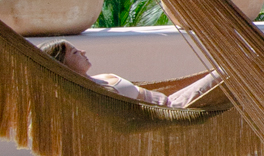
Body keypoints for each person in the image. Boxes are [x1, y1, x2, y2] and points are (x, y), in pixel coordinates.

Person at [45, 39, 222, 110]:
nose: (83, 51)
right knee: (229, 73)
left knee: (228, 71)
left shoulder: (97, 80)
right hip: (175, 109)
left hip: (170, 98)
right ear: (63, 67)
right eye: (75, 53)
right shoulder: (92, 94)